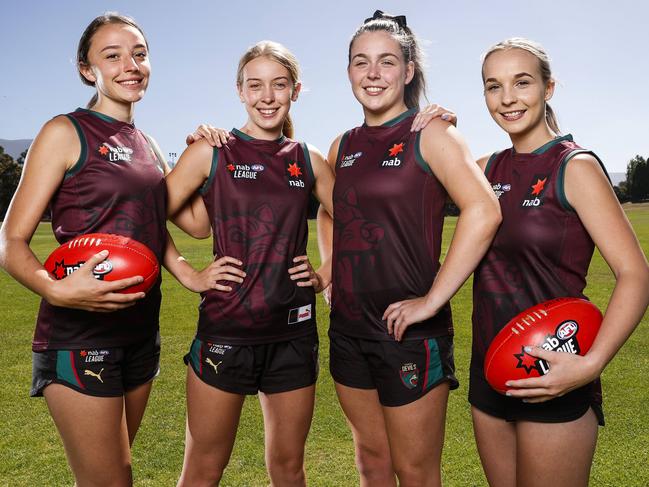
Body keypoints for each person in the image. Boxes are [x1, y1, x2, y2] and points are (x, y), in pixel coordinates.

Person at [0, 13, 214, 486]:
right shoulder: (64, 131)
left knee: (110, 474)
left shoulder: (149, 145)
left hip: (140, 331)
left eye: (138, 54)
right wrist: (54, 291)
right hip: (79, 336)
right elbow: (10, 241)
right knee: (111, 480)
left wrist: (208, 158)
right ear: (86, 69)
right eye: (112, 55)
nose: (130, 65)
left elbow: (175, 225)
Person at [317, 11, 501, 487]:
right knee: (372, 463)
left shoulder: (432, 133)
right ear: (349, 71)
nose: (373, 73)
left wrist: (432, 300)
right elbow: (328, 207)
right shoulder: (343, 145)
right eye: (361, 62)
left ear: (409, 71)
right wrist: (330, 267)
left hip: (412, 336)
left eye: (386, 62)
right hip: (349, 331)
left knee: (416, 471)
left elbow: (484, 211)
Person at [469, 38, 649, 487]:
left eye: (522, 82)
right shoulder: (484, 169)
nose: (507, 98)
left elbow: (635, 275)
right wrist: (435, 126)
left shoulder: (576, 166)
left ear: (548, 88)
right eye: (494, 86)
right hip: (489, 372)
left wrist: (591, 366)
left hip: (555, 370)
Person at [165, 40, 336, 486]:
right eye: (255, 85)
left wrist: (325, 273)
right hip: (226, 330)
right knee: (203, 469)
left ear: (295, 91)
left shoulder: (308, 159)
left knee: (288, 468)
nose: (267, 96)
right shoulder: (212, 150)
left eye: (278, 85)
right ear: (239, 91)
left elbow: (357, 220)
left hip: (294, 333)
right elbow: (149, 211)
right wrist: (188, 273)